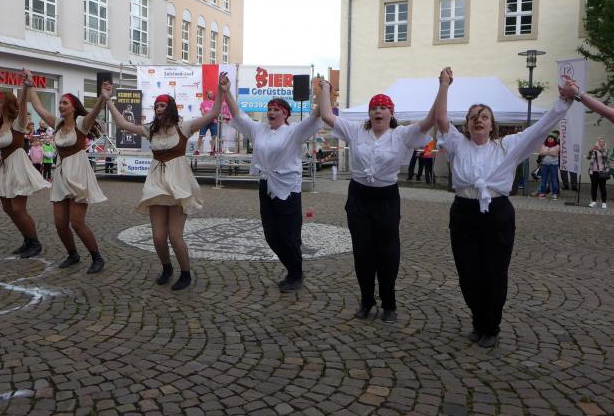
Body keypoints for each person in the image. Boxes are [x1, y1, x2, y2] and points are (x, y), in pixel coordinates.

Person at [436, 72, 577, 348]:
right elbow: (441, 120)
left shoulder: (507, 146)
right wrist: (443, 86)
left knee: (494, 273)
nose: (478, 119)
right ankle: (478, 319)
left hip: (497, 213)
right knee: (468, 273)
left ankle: (491, 326)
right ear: (467, 125)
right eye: (473, 116)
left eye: (484, 116)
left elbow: (540, 128)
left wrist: (562, 102)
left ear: (492, 126)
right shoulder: (457, 144)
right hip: (464, 213)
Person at [317, 72, 445, 320]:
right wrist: (325, 88)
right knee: (362, 251)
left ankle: (389, 304)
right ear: (369, 114)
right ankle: (366, 300)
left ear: (391, 113)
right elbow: (326, 115)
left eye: (383, 107)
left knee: (387, 252)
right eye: (374, 108)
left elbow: (430, 120)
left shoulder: (402, 134)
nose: (378, 111)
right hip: (359, 197)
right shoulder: (356, 131)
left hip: (386, 198)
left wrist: (443, 87)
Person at [108, 88, 221, 290]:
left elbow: (213, 113)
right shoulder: (151, 129)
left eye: (162, 105)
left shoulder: (184, 127)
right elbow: (123, 124)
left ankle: (185, 273)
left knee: (175, 236)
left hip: (178, 185)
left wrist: (221, 90)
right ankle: (167, 267)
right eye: (156, 106)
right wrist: (108, 101)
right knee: (158, 237)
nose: (159, 109)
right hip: (156, 185)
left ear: (170, 108)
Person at [219, 73, 322, 293]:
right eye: (269, 109)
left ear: (285, 114)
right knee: (271, 236)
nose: (271, 112)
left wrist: (324, 94)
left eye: (276, 109)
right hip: (266, 185)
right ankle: (292, 268)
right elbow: (239, 116)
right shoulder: (260, 129)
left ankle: (295, 273)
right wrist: (227, 92)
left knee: (289, 236)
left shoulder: (293, 131)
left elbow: (314, 117)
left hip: (288, 189)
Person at [26, 70, 107, 272]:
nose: (61, 106)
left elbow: (94, 113)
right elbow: (38, 107)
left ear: (73, 107)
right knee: (60, 223)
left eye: (65, 103)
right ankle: (73, 255)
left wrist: (102, 98)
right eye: (60, 103)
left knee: (77, 222)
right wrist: (30, 84)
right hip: (61, 173)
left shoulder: (81, 123)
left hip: (78, 172)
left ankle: (97, 257)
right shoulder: (57, 123)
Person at [0, 74, 50, 258]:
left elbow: (22, 105)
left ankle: (34, 243)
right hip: (5, 167)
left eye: (0, 101)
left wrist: (25, 86)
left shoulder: (18, 123)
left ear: (8, 104)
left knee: (18, 208)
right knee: (8, 208)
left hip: (18, 166)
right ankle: (27, 239)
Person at [587, 137, 609, 209]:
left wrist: (599, 149)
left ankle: (604, 202)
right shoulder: (594, 151)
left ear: (604, 143)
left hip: (602, 172)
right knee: (594, 187)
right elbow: (588, 157)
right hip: (593, 171)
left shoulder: (605, 150)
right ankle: (593, 202)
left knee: (602, 187)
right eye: (599, 142)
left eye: (602, 142)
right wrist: (591, 151)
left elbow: (605, 155)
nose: (600, 143)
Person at [537, 133, 560, 199]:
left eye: (551, 138)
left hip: (553, 165)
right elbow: (541, 153)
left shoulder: (557, 146)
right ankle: (542, 193)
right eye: (549, 138)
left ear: (554, 139)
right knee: (543, 179)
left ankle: (555, 193)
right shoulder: (543, 145)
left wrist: (546, 152)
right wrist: (549, 152)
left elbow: (555, 153)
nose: (550, 139)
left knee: (554, 179)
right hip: (544, 165)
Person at [195, 90, 218, 156]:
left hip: (213, 121)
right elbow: (202, 113)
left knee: (214, 136)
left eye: (212, 94)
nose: (212, 95)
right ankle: (197, 150)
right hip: (205, 121)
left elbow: (216, 112)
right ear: (207, 95)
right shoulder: (203, 103)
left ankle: (212, 151)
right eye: (210, 94)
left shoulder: (215, 103)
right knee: (201, 136)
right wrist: (209, 117)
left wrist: (211, 117)